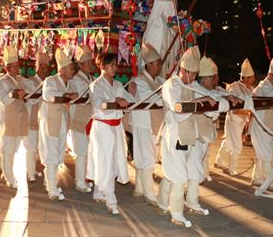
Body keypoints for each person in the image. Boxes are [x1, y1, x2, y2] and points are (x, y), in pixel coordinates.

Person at [157, 46, 218, 228]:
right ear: (182, 70)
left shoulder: (191, 84)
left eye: (195, 74)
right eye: (190, 74)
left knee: (174, 171)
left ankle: (161, 203)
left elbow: (208, 96)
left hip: (189, 134)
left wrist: (213, 101)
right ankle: (176, 213)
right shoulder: (171, 85)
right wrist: (198, 101)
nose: (193, 78)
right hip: (175, 135)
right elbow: (178, 108)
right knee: (178, 175)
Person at [87, 53, 136, 215]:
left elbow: (128, 100)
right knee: (105, 161)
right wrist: (117, 102)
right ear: (102, 66)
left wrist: (132, 93)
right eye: (111, 65)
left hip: (116, 127)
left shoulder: (117, 84)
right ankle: (111, 200)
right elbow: (100, 104)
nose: (115, 68)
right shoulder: (96, 85)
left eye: (115, 65)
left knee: (113, 160)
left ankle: (98, 192)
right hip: (102, 128)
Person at [189, 56, 231, 212]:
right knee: (194, 168)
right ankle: (191, 202)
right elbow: (214, 104)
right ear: (203, 78)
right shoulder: (195, 89)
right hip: (194, 134)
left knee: (197, 165)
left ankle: (189, 198)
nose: (214, 80)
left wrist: (228, 98)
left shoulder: (208, 90)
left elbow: (218, 98)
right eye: (211, 78)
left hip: (203, 135)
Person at [39, 49, 78, 201]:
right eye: (69, 68)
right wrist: (66, 96)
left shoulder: (70, 83)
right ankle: (52, 189)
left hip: (62, 123)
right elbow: (49, 95)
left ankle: (49, 183)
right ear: (61, 70)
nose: (72, 70)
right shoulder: (51, 81)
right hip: (50, 122)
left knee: (58, 153)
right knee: (51, 155)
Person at [130, 43, 164, 206]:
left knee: (148, 154)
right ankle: (150, 193)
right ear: (148, 65)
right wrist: (163, 97)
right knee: (147, 157)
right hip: (143, 122)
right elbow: (149, 99)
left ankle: (140, 188)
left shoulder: (159, 80)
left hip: (154, 122)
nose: (159, 67)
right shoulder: (138, 81)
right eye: (157, 64)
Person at [0, 46, 35, 189]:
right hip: (7, 119)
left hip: (20, 119)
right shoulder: (2, 81)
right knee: (7, 149)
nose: (16, 69)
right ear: (7, 68)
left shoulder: (21, 80)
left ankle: (8, 173)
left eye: (17, 66)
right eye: (13, 67)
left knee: (14, 149)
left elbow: (32, 89)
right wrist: (14, 94)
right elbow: (2, 99)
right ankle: (9, 177)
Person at [250, 56, 273, 190]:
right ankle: (269, 181)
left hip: (269, 126)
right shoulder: (264, 87)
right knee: (266, 154)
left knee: (263, 153)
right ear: (270, 75)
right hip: (261, 127)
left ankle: (258, 178)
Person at [215, 58, 255, 176]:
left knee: (229, 141)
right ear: (246, 78)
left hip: (243, 120)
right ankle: (231, 168)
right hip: (234, 118)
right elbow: (232, 104)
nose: (253, 79)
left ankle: (219, 161)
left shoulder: (251, 89)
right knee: (236, 145)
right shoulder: (235, 87)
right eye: (252, 77)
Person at [142, 0, 187, 78]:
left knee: (165, 61)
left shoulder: (174, 1)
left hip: (166, 34)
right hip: (157, 33)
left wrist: (180, 17)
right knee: (154, 59)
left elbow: (171, 17)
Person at [68, 44, 95, 193]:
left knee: (89, 150)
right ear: (81, 65)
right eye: (88, 63)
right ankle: (79, 181)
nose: (91, 65)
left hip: (91, 118)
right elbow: (73, 96)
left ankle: (86, 178)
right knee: (81, 151)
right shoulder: (75, 79)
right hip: (79, 119)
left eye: (91, 62)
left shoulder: (92, 78)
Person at [23, 51, 50, 183]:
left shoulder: (49, 82)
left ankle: (37, 170)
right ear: (36, 67)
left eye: (46, 67)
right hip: (31, 117)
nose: (44, 70)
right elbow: (31, 99)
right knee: (31, 147)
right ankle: (30, 173)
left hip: (45, 118)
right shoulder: (30, 81)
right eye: (41, 66)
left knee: (43, 146)